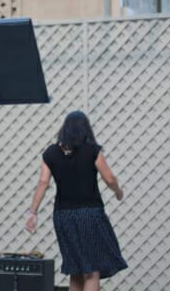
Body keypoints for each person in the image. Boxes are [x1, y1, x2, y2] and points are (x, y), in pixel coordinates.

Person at [25, 110, 127, 291]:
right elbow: (110, 179)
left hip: (63, 216)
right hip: (89, 214)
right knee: (92, 271)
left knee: (76, 269)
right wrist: (118, 192)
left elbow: (43, 182)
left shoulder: (50, 153)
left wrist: (33, 212)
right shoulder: (92, 150)